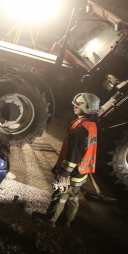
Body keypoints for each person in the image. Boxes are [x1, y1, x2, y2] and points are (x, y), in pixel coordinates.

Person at [34, 92, 100, 228]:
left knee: (60, 195)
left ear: (86, 108)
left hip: (72, 171)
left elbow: (73, 156)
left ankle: (51, 220)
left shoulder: (80, 128)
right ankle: (68, 220)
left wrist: (63, 173)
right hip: (83, 171)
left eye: (77, 105)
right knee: (73, 197)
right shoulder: (91, 125)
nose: (74, 107)